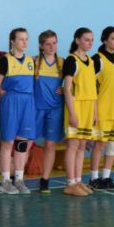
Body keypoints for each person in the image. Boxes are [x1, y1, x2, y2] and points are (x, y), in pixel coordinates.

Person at [0, 28, 36, 195]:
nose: (24, 42)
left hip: (27, 103)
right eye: (21, 39)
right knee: (7, 142)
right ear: (12, 41)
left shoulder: (31, 61)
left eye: (26, 39)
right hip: (11, 102)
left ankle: (19, 179)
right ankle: (5, 181)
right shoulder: (5, 61)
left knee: (22, 143)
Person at [62, 27, 98, 197]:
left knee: (83, 145)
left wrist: (95, 112)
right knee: (73, 145)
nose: (90, 43)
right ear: (77, 40)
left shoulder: (90, 60)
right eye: (86, 39)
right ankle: (70, 183)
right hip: (77, 107)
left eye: (92, 40)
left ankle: (78, 180)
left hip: (89, 107)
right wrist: (73, 113)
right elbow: (67, 89)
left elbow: (93, 89)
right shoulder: (72, 60)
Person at [89, 27, 114, 190]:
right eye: (113, 38)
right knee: (100, 145)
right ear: (105, 40)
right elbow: (90, 87)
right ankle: (94, 177)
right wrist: (94, 111)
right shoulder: (97, 59)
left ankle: (106, 176)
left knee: (112, 145)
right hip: (103, 109)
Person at [32, 30, 64, 194]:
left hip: (55, 109)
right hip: (36, 108)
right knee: (26, 141)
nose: (52, 46)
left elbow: (75, 83)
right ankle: (16, 177)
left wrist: (66, 88)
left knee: (50, 144)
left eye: (54, 43)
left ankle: (45, 180)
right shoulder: (34, 62)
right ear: (41, 45)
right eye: (48, 44)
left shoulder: (63, 63)